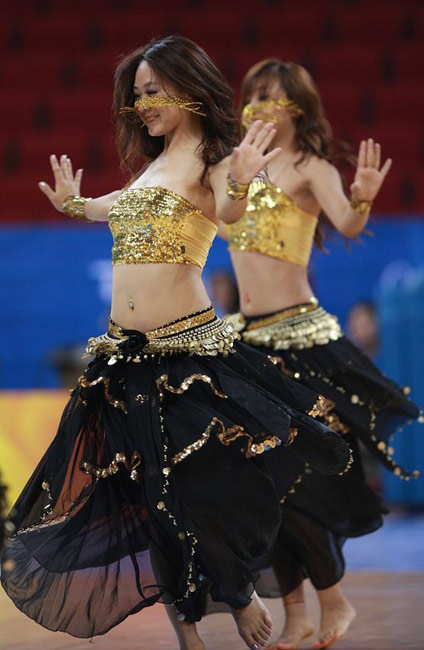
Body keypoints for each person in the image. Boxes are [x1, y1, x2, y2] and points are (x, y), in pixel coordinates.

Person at [0, 38, 351, 650]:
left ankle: (238, 591)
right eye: (136, 95)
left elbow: (231, 212)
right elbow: (119, 206)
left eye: (154, 90)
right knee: (146, 497)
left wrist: (240, 184)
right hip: (122, 358)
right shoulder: (151, 168)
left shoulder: (215, 157)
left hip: (188, 355)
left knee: (206, 485)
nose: (143, 104)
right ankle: (188, 635)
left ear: (190, 88)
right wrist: (78, 205)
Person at [221, 58, 420, 650]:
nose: (262, 105)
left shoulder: (309, 166)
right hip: (247, 341)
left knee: (299, 482)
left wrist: (359, 201)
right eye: (254, 95)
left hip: (302, 340)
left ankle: (331, 601)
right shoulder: (234, 167)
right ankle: (298, 615)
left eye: (276, 98)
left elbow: (346, 221)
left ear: (300, 109)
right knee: (260, 488)